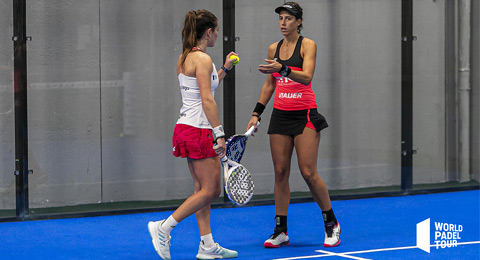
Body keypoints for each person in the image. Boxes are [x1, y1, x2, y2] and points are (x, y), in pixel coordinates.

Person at [246, 2, 341, 248]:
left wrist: (284, 68)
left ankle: (331, 223)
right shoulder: (273, 47)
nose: (283, 23)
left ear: (299, 21)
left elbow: (307, 76)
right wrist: (257, 113)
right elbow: (269, 84)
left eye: (288, 18)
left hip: (305, 116)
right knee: (280, 172)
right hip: (280, 115)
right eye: (281, 18)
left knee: (308, 172)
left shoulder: (308, 45)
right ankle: (281, 230)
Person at [148, 9, 239, 260]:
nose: (218, 34)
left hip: (184, 128)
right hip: (199, 130)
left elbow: (204, 88)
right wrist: (219, 133)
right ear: (208, 32)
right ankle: (163, 228)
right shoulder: (203, 60)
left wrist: (225, 69)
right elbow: (208, 100)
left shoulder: (185, 57)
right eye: (216, 30)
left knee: (201, 189)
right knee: (211, 191)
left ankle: (207, 246)